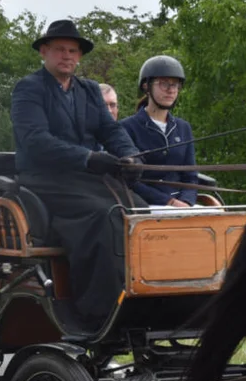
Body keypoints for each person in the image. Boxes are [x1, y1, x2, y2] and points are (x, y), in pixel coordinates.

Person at [10, 18, 146, 329]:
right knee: (105, 214)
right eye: (60, 49)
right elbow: (35, 141)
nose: (67, 56)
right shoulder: (28, 89)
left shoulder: (87, 90)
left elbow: (110, 129)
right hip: (45, 180)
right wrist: (88, 158)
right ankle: (100, 310)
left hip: (88, 179)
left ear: (80, 56)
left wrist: (129, 156)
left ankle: (147, 297)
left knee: (141, 210)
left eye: (73, 51)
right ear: (44, 52)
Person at [120, 56, 197, 207]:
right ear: (146, 86)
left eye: (175, 85)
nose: (170, 90)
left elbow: (191, 176)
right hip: (145, 203)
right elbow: (128, 180)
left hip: (183, 204)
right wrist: (168, 202)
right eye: (163, 84)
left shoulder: (183, 127)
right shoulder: (126, 127)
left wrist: (186, 202)